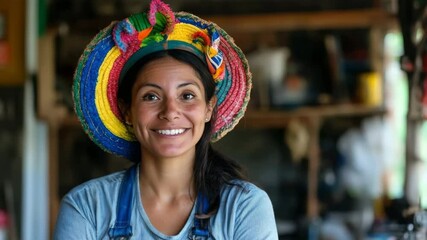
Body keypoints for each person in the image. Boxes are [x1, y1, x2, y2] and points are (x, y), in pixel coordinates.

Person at [53, 0, 278, 239]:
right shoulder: (87, 208)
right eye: (151, 96)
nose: (170, 111)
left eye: (187, 95)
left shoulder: (244, 207)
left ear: (209, 108)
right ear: (127, 110)